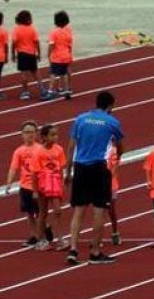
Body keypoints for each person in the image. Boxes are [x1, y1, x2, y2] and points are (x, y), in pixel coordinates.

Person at [64, 90, 125, 265]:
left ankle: (73, 249)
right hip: (99, 167)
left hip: (81, 167)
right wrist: (118, 156)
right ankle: (95, 252)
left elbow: (70, 147)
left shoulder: (80, 119)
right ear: (110, 106)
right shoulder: (112, 122)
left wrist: (68, 172)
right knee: (100, 210)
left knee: (78, 210)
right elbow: (120, 146)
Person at [4, 120, 41, 247]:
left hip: (38, 186)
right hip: (25, 186)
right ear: (22, 134)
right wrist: (9, 182)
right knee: (30, 212)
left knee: (41, 212)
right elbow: (14, 167)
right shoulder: (19, 151)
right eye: (26, 132)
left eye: (31, 132)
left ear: (36, 134)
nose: (29, 135)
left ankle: (43, 231)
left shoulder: (40, 149)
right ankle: (33, 236)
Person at [34, 123, 68, 251]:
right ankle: (40, 239)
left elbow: (60, 168)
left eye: (56, 134)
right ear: (44, 137)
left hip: (55, 183)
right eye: (52, 135)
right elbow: (34, 173)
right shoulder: (39, 152)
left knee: (58, 211)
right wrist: (35, 190)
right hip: (43, 183)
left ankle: (60, 239)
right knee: (43, 212)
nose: (55, 137)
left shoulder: (59, 149)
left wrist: (62, 184)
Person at [11, 10, 42, 100]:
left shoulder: (17, 29)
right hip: (31, 53)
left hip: (22, 54)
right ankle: (42, 90)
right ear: (27, 19)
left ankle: (25, 92)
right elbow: (36, 42)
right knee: (35, 72)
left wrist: (13, 53)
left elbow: (14, 42)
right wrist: (38, 53)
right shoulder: (32, 29)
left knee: (24, 73)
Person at [45, 11, 73, 102]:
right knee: (64, 73)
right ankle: (66, 90)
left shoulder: (54, 33)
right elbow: (69, 45)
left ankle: (50, 90)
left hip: (57, 56)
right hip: (66, 55)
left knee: (53, 73)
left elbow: (51, 45)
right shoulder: (68, 32)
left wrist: (48, 55)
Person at [107, 141, 121, 246]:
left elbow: (115, 167)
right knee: (99, 209)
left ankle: (115, 232)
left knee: (111, 209)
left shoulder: (113, 151)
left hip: (110, 184)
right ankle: (98, 236)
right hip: (98, 183)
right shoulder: (97, 149)